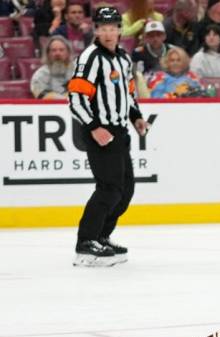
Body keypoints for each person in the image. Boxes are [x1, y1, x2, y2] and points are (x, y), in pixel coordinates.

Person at [67, 6, 149, 266]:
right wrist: (93, 127)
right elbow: (76, 98)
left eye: (113, 27)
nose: (108, 32)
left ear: (120, 29)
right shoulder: (90, 57)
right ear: (96, 30)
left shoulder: (124, 58)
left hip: (120, 131)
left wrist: (135, 116)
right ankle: (85, 243)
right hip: (99, 132)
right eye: (103, 27)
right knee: (109, 188)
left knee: (125, 191)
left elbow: (129, 93)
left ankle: (101, 236)